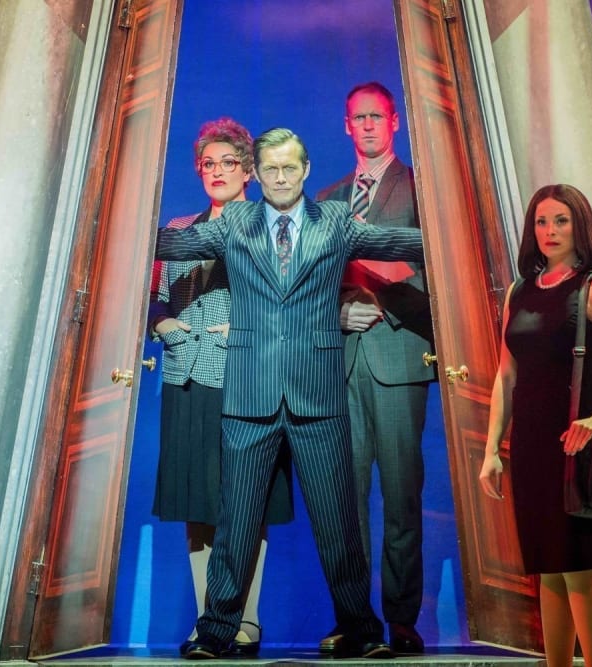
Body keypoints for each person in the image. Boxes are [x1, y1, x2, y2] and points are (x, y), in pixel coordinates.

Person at [156, 127, 425, 660]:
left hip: (317, 396)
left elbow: (406, 243)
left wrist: (458, 222)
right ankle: (216, 632)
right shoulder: (236, 222)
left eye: (289, 168)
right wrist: (120, 208)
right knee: (236, 522)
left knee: (338, 523)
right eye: (271, 169)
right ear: (258, 174)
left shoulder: (335, 221)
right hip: (250, 394)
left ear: (305, 170)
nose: (280, 178)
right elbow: (169, 244)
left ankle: (361, 630)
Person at [478, 184, 592, 667]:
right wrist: (492, 449)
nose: (549, 230)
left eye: (560, 221)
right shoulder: (519, 291)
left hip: (577, 442)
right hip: (530, 443)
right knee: (547, 568)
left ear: (579, 226)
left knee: (578, 567)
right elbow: (506, 374)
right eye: (541, 221)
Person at [149, 117, 293, 656]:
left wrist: (247, 328)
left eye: (227, 162)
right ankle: (209, 619)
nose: (216, 171)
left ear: (248, 170)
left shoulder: (271, 227)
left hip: (245, 378)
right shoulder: (178, 227)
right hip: (187, 376)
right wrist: (162, 322)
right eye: (207, 163)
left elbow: (290, 302)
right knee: (198, 503)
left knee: (244, 501)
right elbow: (152, 294)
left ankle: (244, 618)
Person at [315, 81, 434, 655]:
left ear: (394, 122)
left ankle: (402, 621)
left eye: (375, 117)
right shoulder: (328, 199)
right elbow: (309, 283)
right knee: (346, 500)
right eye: (357, 117)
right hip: (343, 361)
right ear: (346, 125)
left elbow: (442, 265)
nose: (366, 125)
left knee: (402, 495)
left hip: (399, 354)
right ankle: (354, 621)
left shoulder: (421, 186)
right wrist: (339, 311)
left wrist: (386, 287)